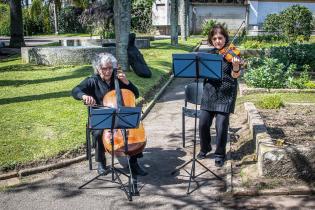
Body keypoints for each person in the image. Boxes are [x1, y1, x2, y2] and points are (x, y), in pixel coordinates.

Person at [72, 52, 148, 176]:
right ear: (98, 68)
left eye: (110, 68)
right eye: (104, 68)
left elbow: (136, 93)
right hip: (102, 117)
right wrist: (84, 96)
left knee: (133, 129)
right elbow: (75, 90)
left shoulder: (118, 79)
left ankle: (134, 163)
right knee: (97, 133)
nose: (107, 72)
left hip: (120, 116)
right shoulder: (92, 81)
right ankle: (101, 161)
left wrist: (127, 82)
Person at [197, 24, 241, 167]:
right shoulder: (208, 55)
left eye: (220, 38)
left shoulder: (233, 54)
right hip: (209, 93)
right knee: (203, 123)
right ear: (211, 40)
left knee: (221, 126)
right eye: (214, 38)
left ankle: (220, 154)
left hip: (226, 92)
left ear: (225, 39)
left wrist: (235, 67)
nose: (217, 41)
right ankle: (205, 147)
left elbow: (236, 75)